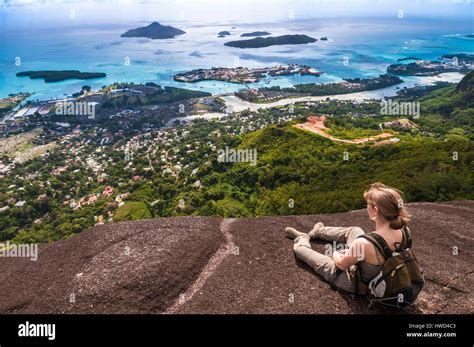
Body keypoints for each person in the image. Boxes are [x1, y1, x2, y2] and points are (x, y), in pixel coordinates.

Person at [284, 182, 412, 294]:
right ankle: (318, 231)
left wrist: (336, 253)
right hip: (381, 272)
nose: (366, 207)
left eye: (367, 204)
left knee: (300, 251)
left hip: (355, 283)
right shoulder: (405, 231)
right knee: (355, 230)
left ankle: (302, 238)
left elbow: (340, 264)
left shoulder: (364, 243)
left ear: (375, 210)